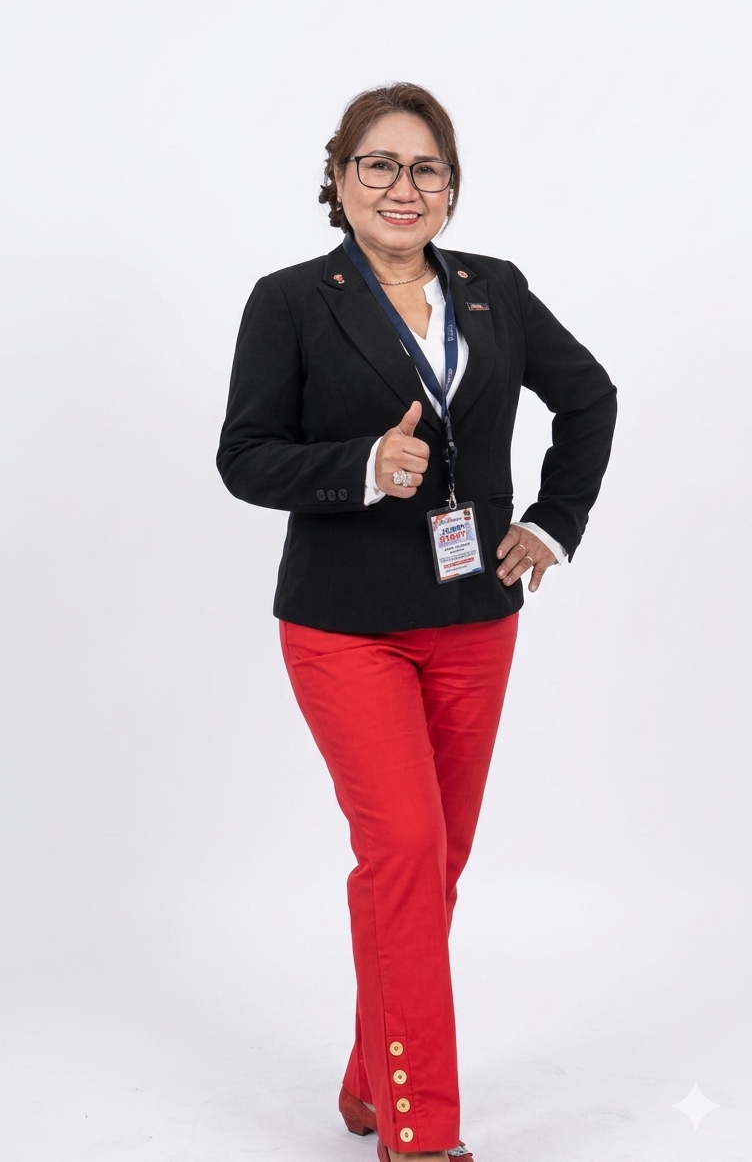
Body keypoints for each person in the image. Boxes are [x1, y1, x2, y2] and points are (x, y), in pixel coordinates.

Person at [217, 83, 617, 1162]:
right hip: (345, 625)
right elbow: (243, 457)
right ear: (339, 179)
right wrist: (360, 464)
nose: (403, 186)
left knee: (434, 863)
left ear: (450, 187)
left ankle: (369, 1080)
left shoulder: (495, 289)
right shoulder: (290, 300)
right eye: (378, 165)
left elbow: (590, 398)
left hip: (475, 615)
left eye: (425, 167)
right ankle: (419, 1128)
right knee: (400, 848)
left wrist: (552, 521)